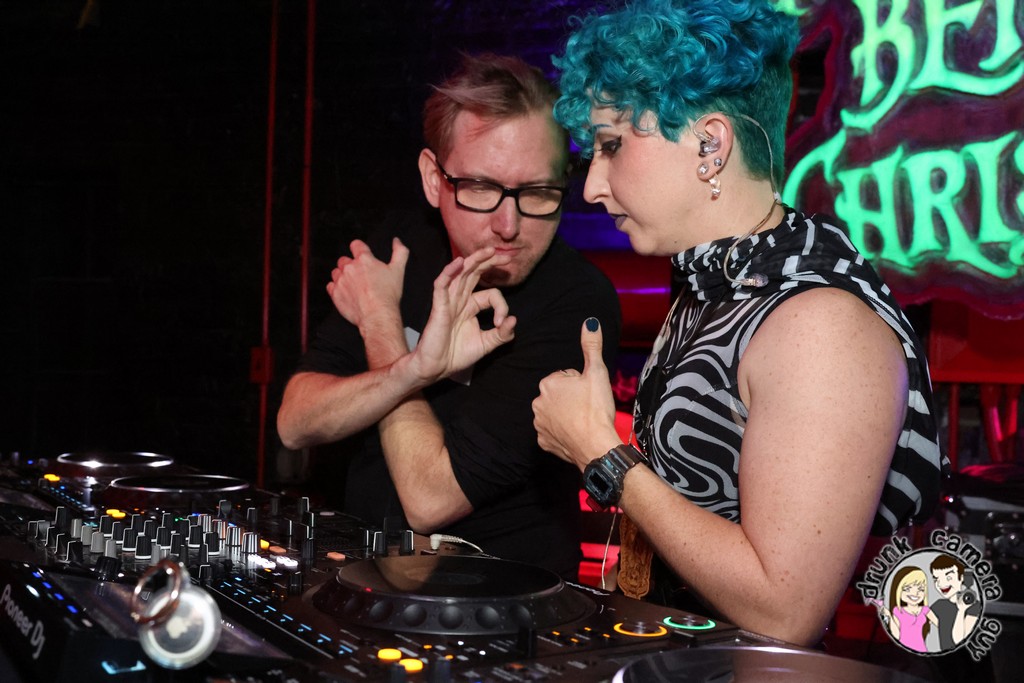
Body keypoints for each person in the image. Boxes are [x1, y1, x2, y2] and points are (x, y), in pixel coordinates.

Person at [531, 0, 946, 644]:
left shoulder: (818, 322)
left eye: (612, 146)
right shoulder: (715, 289)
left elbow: (786, 611)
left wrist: (601, 454)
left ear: (710, 144)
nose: (591, 187)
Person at [276, 53, 621, 581]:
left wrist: (380, 323)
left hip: (506, 600)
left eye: (537, 192)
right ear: (433, 179)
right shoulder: (403, 249)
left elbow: (430, 500)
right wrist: (415, 369)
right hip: (363, 582)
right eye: (481, 188)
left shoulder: (575, 302)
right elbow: (295, 422)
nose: (508, 225)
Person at [875, 566, 938, 653]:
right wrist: (888, 616)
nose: (915, 593)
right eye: (907, 589)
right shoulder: (897, 611)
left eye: (921, 589)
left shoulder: (925, 610)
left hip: (921, 649)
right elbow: (896, 635)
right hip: (901, 650)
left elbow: (941, 625)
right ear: (898, 590)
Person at [929, 555, 982, 650]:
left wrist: (961, 610)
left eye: (948, 578)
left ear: (961, 578)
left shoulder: (973, 606)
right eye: (936, 579)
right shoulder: (939, 605)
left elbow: (958, 640)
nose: (941, 583)